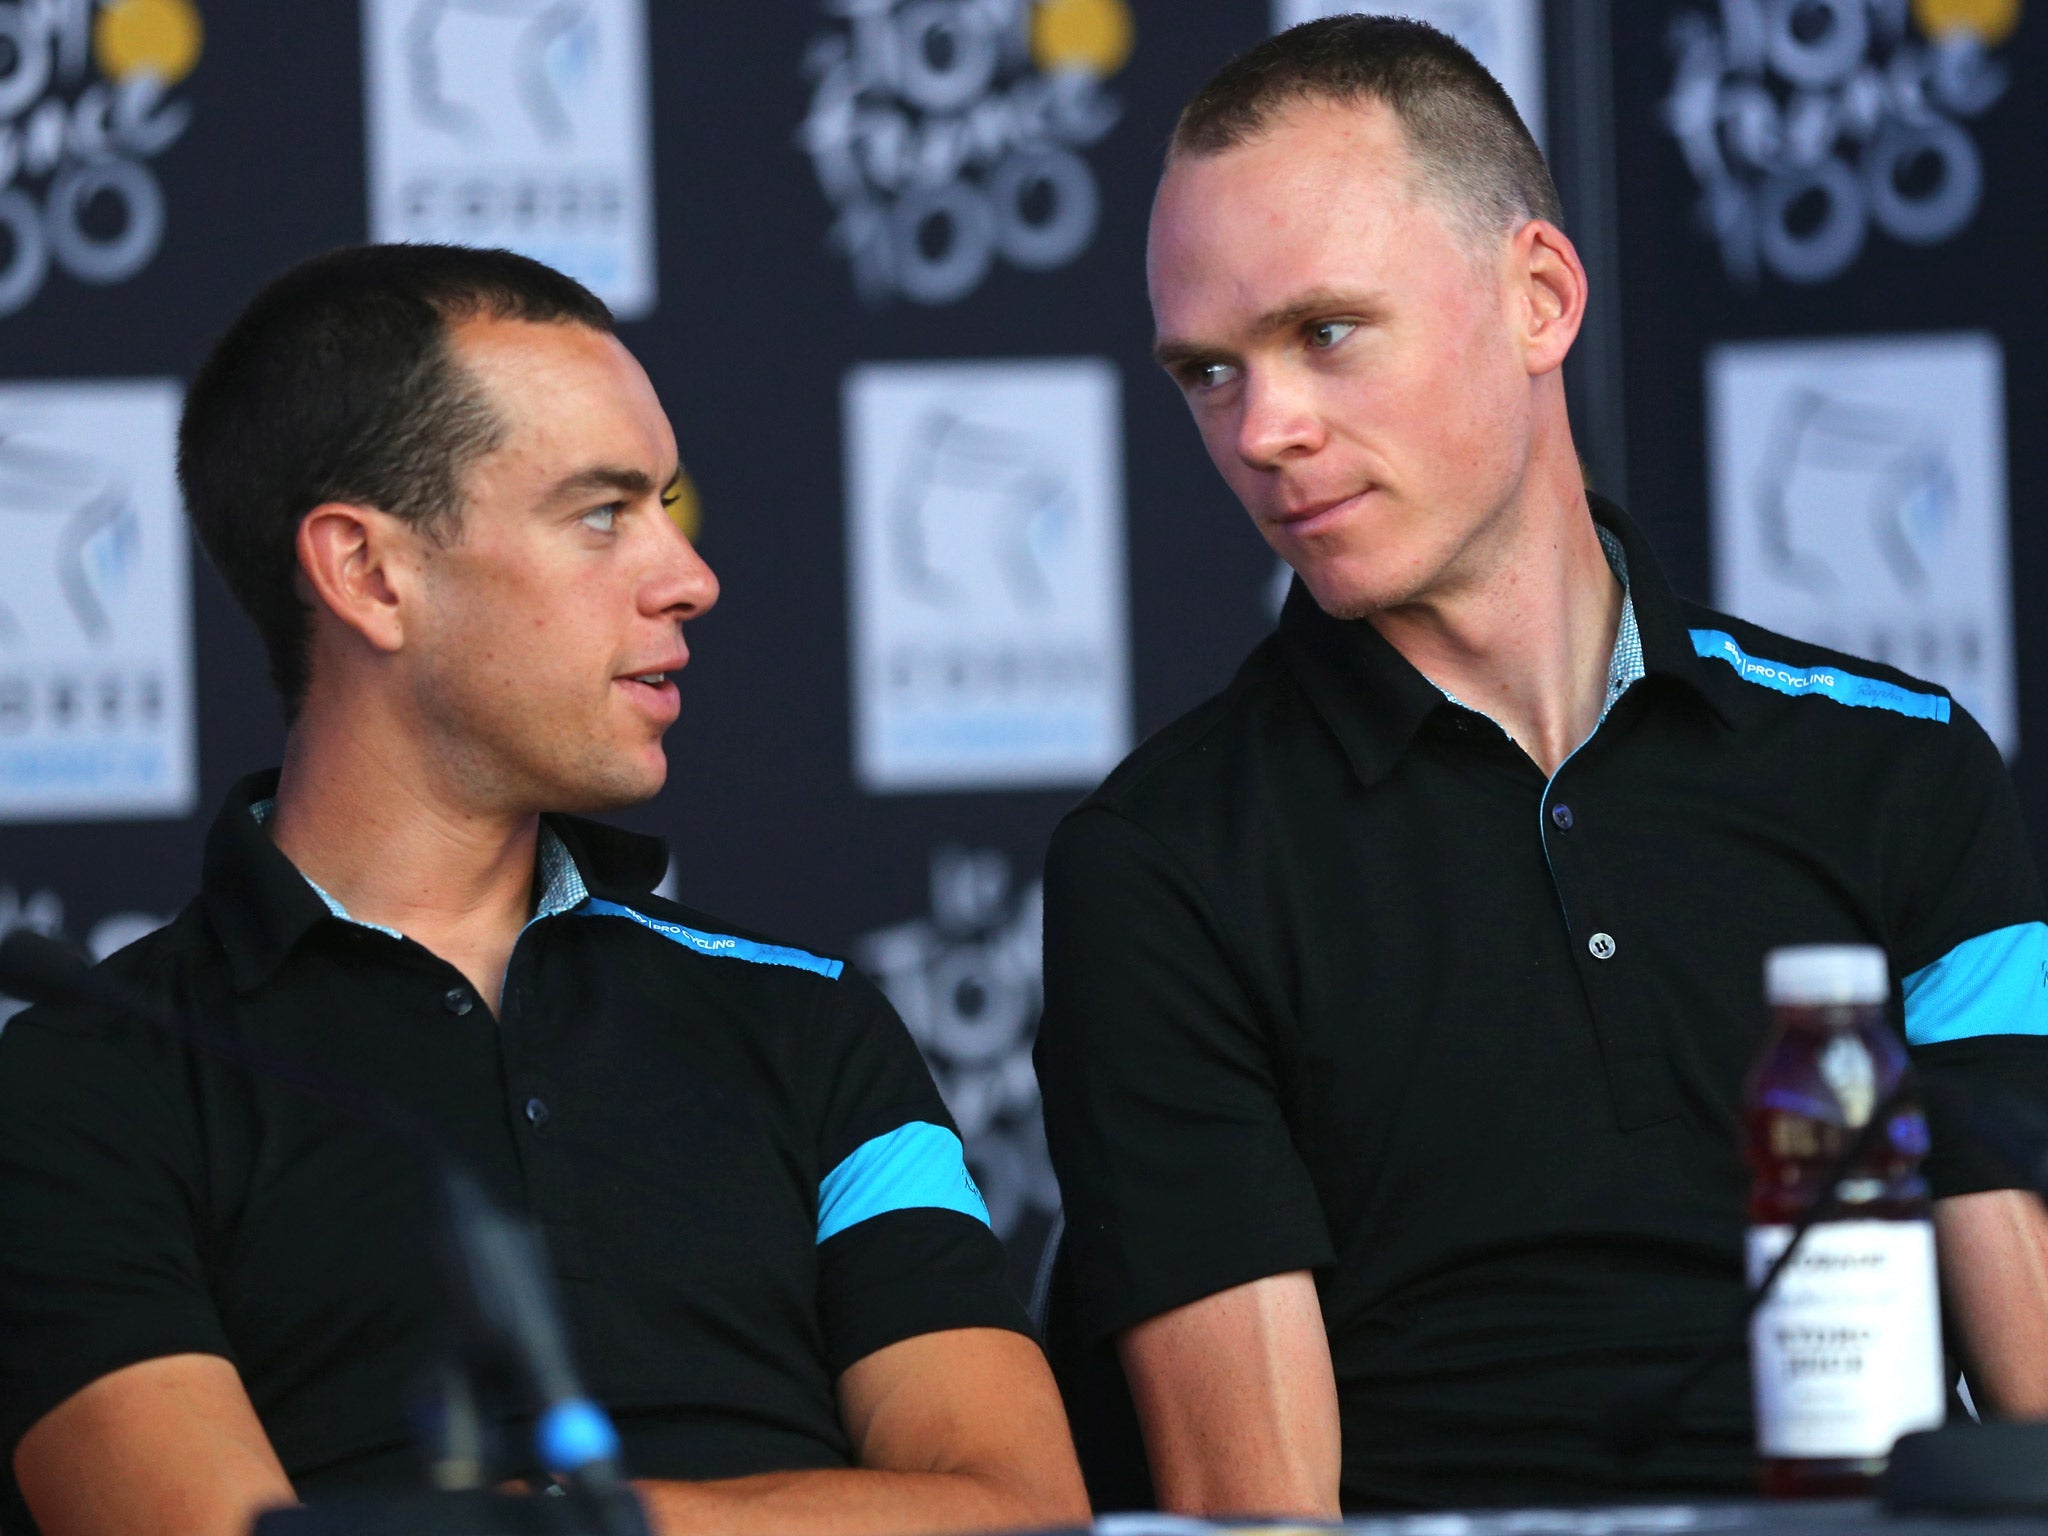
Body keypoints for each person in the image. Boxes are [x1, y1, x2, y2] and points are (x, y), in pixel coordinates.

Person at [1033, 15, 2048, 1516]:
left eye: (1323, 333)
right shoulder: (1163, 863)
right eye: (1206, 373)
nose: (1265, 429)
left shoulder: (1900, 767)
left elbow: (2032, 1380)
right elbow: (1259, 1516)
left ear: (1540, 298)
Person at [0, 245, 1090, 1536]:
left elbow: (1026, 1514)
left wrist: (573, 1527)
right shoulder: (80, 1088)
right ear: (368, 574)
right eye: (600, 513)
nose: (690, 576)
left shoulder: (815, 1023)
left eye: (664, 507)